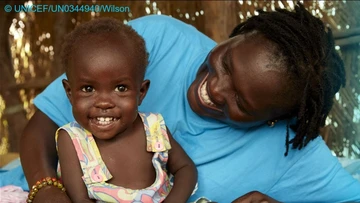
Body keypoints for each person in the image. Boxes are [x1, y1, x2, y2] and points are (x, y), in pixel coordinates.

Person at [20, 2, 360, 203]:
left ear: (275, 118)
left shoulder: (293, 154)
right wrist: (45, 189)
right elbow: (44, 123)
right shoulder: (159, 39)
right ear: (238, 34)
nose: (214, 88)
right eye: (226, 62)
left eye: (241, 101)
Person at [28, 18, 197, 203]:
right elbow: (80, 200)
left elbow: (186, 169)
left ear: (141, 92)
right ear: (69, 92)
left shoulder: (154, 127)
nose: (104, 103)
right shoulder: (71, 140)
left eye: (121, 88)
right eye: (88, 89)